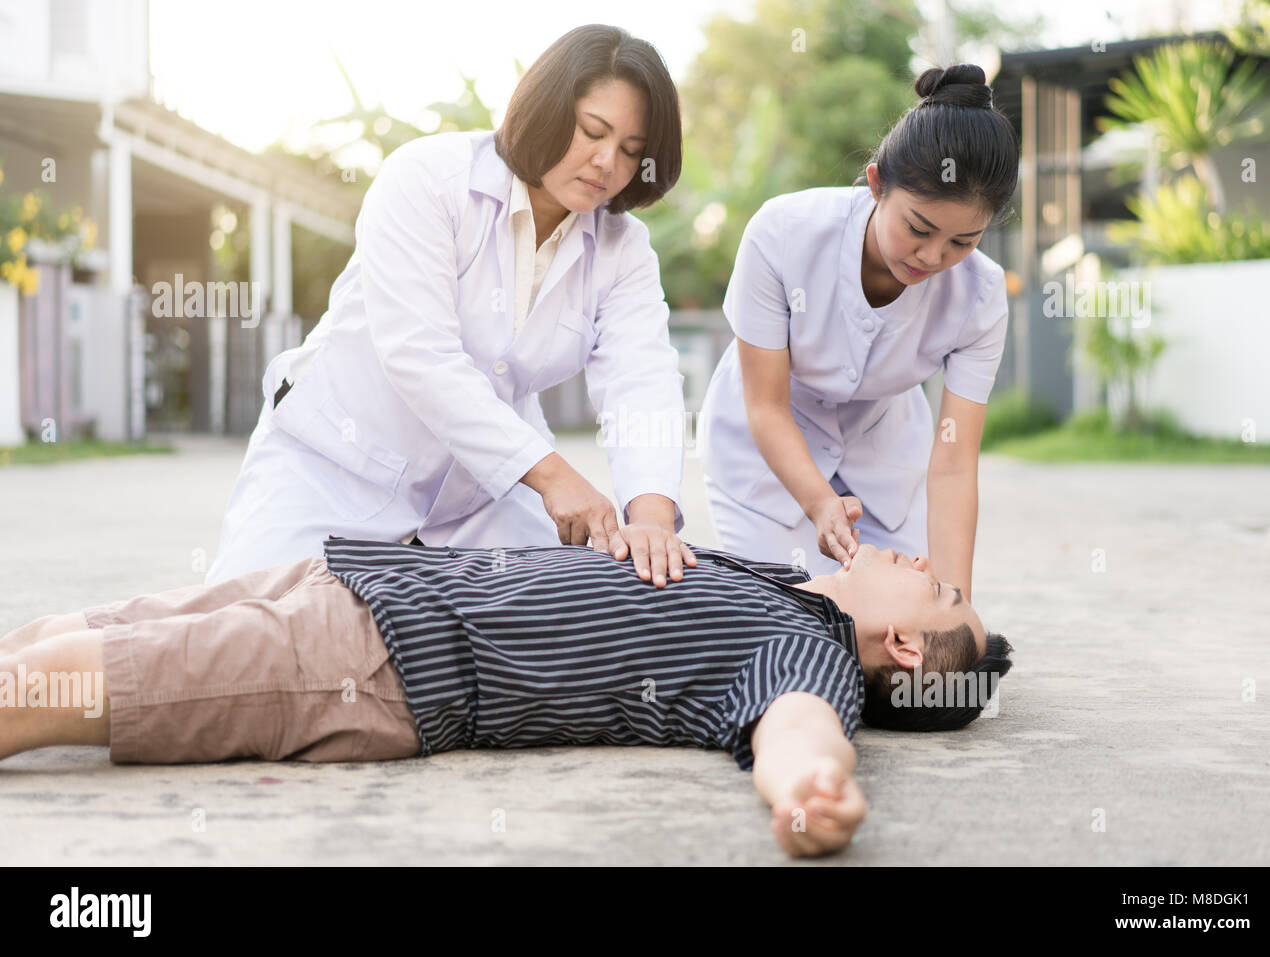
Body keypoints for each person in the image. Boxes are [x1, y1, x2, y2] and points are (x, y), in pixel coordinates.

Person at [0, 540, 1013, 858]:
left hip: (374, 660)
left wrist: (812, 793)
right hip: (354, 579)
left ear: (907, 646)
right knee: (48, 641)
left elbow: (802, 734)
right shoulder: (777, 578)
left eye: (938, 586)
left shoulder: (805, 653)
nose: (924, 559)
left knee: (33, 694)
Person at [207, 24, 696, 592]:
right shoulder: (429, 179)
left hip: (480, 496)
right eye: (593, 131)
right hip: (333, 463)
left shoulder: (624, 246)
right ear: (546, 106)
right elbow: (420, 355)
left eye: (632, 152)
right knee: (248, 623)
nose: (607, 161)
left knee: (566, 619)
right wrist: (554, 474)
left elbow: (642, 378)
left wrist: (653, 518)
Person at [697, 64, 1020, 597]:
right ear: (876, 184)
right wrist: (820, 502)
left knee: (905, 617)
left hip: (884, 457)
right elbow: (767, 408)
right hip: (767, 455)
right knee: (794, 620)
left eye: (964, 241)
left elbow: (955, 463)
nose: (934, 257)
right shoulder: (782, 234)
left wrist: (955, 610)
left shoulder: (981, 297)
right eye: (918, 228)